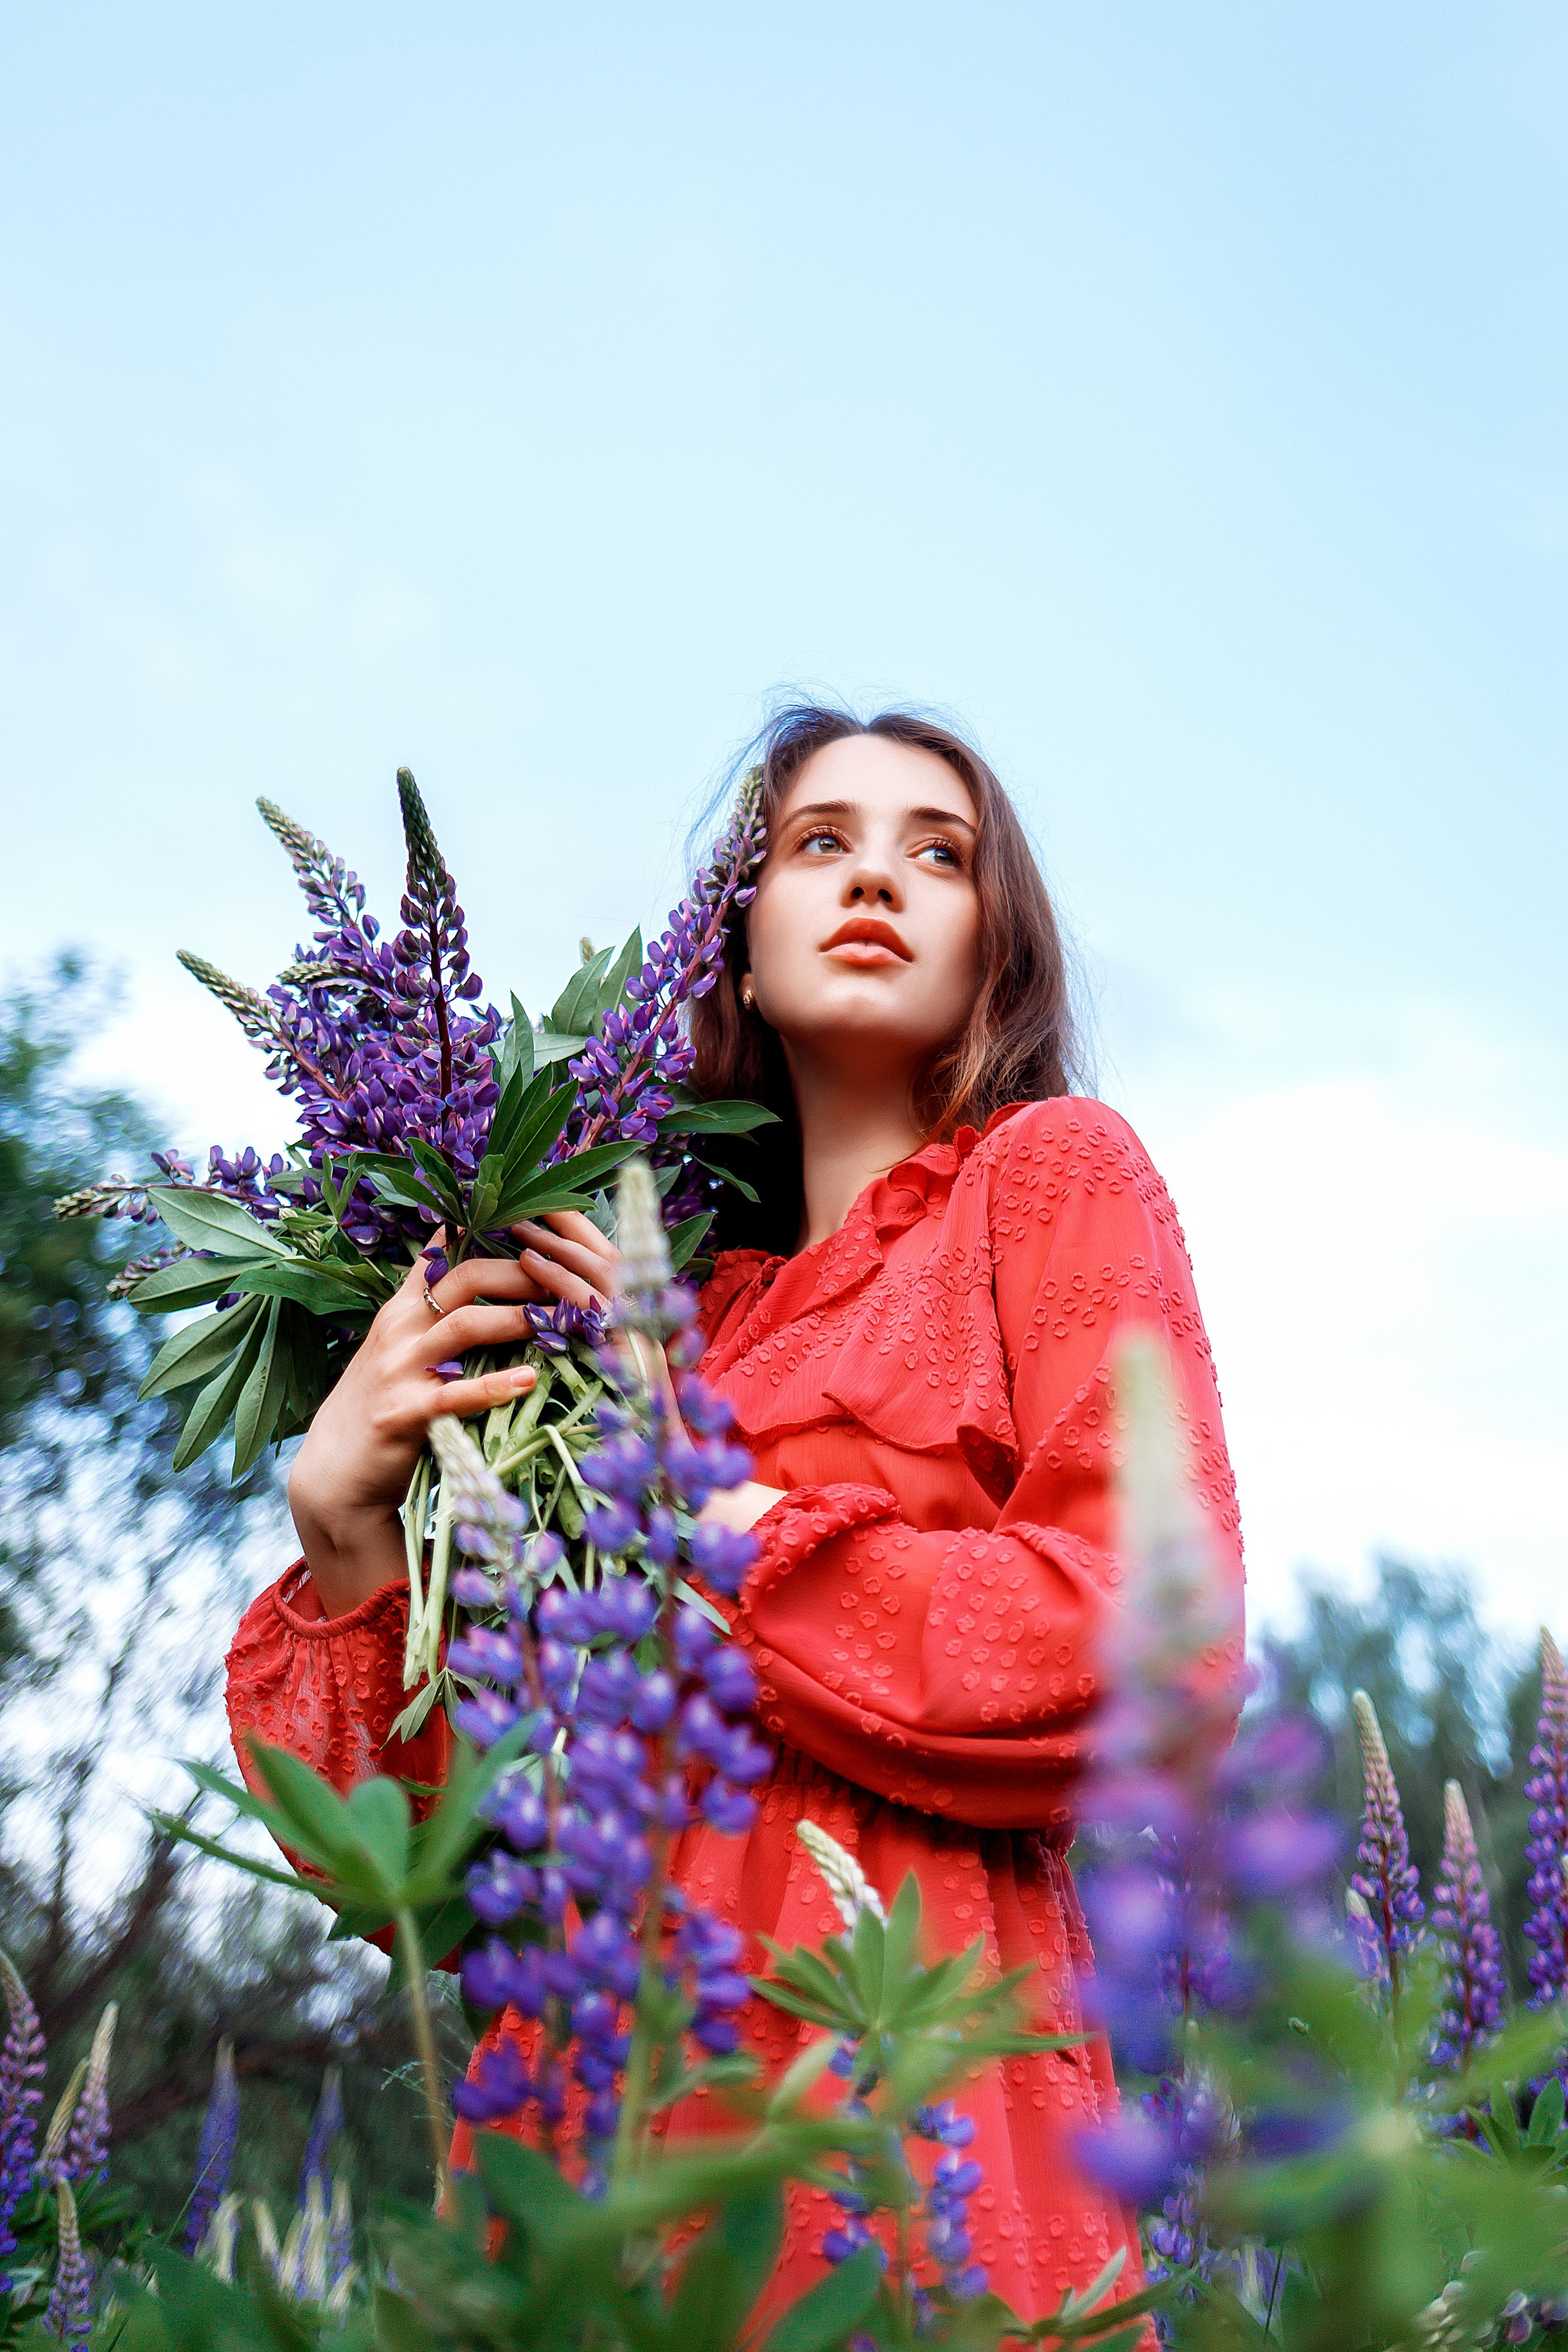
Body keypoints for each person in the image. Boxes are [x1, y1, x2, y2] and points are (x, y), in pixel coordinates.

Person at [226, 703, 1245, 2320]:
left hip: (914, 2084)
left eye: (942, 852)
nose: (878, 879)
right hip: (595, 2119)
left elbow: (1142, 1648)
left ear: (1000, 947)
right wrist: (347, 1531)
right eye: (818, 843)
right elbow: (448, 1875)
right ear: (739, 947)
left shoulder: (1047, 1179)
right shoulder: (662, 1312)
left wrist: (694, 1499)